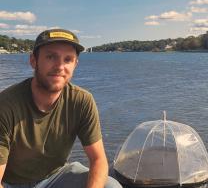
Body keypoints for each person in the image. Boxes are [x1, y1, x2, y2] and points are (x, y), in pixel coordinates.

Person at [0, 29, 122, 188]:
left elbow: (98, 160)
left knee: (110, 186)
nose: (60, 66)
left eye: (68, 59)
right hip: (11, 183)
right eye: (51, 57)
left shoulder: (81, 100)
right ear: (33, 60)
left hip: (56, 177)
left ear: (75, 65)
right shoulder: (6, 105)